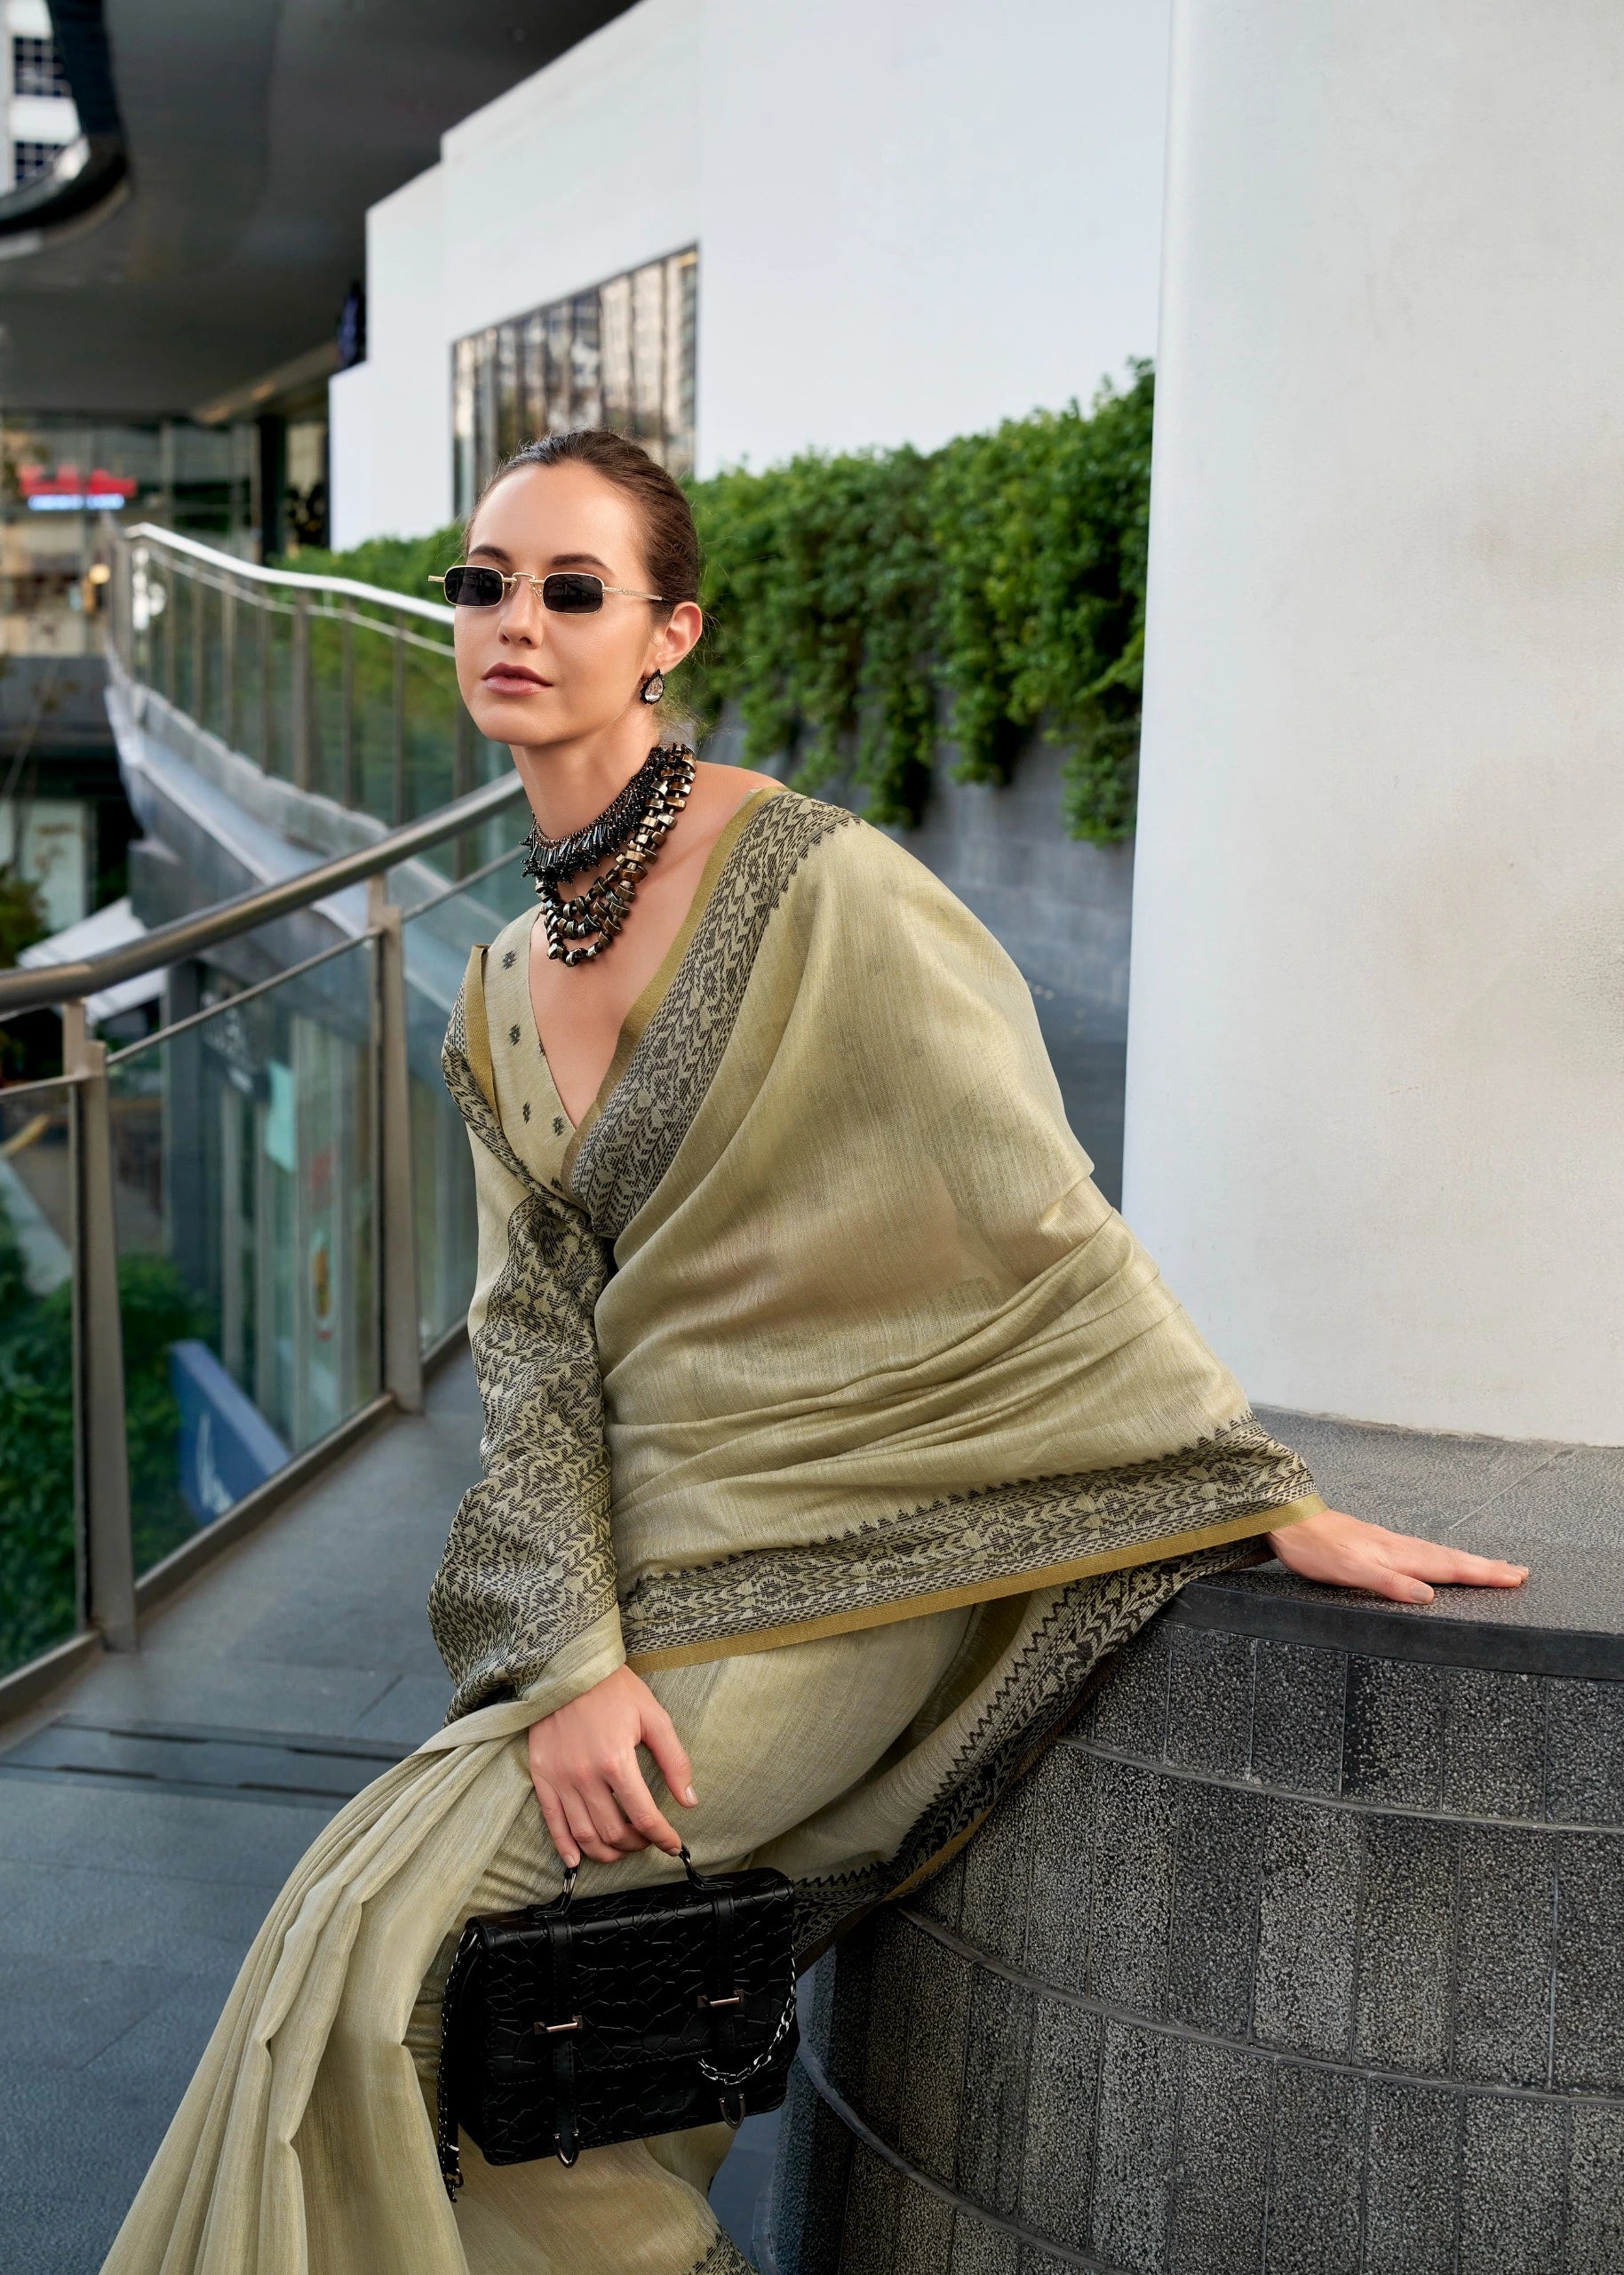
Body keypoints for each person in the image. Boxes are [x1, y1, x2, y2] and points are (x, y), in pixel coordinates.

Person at [102, 431, 1528, 2275]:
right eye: (481, 583)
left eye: (569, 589)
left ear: (666, 631)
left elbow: (1028, 1209)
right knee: (356, 1929)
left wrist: (1252, 1488)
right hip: (639, 1564)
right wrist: (575, 1653)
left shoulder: (819, 886)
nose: (510, 621)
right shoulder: (490, 981)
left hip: (853, 1554)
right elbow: (527, 1344)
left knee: (399, 1936)